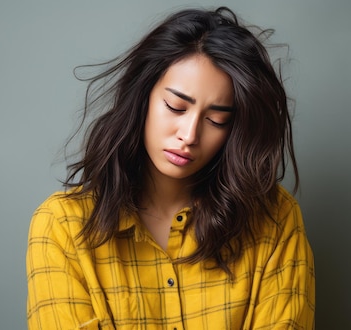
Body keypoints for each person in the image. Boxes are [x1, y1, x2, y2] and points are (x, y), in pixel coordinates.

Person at [26, 6, 315, 329]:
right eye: (175, 107)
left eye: (216, 120)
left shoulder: (275, 220)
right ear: (143, 97)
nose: (189, 135)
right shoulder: (62, 227)